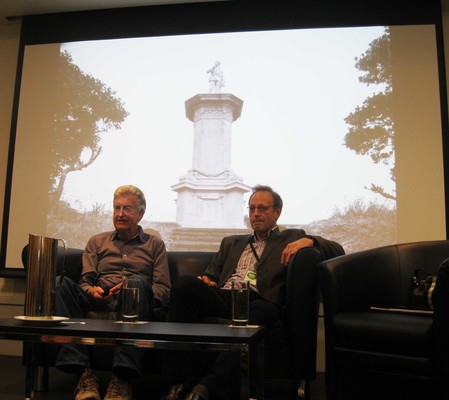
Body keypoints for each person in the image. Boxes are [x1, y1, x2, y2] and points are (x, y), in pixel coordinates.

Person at [160, 185, 344, 400]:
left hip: (260, 300)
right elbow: (212, 273)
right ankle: (177, 381)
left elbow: (337, 250)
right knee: (184, 286)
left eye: (263, 208)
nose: (256, 213)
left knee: (263, 311)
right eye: (252, 208)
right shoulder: (231, 242)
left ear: (277, 212)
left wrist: (309, 241)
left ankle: (207, 388)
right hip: (227, 296)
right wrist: (207, 280)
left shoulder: (291, 237)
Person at [54, 185, 171, 400]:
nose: (120, 213)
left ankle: (121, 379)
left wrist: (131, 289)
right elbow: (85, 281)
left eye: (127, 208)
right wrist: (92, 291)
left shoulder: (155, 245)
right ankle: (84, 374)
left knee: (135, 283)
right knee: (60, 284)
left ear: (140, 214)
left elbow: (162, 290)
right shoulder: (97, 241)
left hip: (135, 302)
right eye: (117, 208)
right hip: (99, 299)